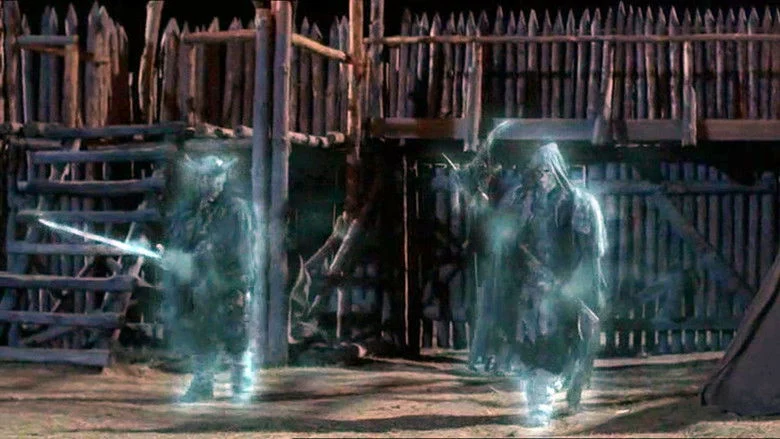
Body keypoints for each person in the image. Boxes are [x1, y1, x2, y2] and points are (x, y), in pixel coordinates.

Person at [461, 142, 607, 426]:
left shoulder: (578, 203)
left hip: (564, 288)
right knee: (528, 346)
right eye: (538, 171)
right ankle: (538, 404)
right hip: (527, 287)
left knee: (561, 342)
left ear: (558, 170)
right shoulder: (518, 201)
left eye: (547, 171)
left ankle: (550, 397)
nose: (542, 177)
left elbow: (589, 253)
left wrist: (571, 284)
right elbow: (503, 243)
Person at [160, 155, 257, 403]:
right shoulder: (191, 211)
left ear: (223, 179)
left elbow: (243, 249)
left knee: (235, 332)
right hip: (201, 284)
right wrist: (172, 256)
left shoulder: (236, 209)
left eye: (214, 178)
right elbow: (182, 243)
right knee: (201, 332)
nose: (209, 183)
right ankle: (203, 384)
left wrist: (242, 284)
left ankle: (242, 385)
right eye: (204, 178)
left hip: (229, 280)